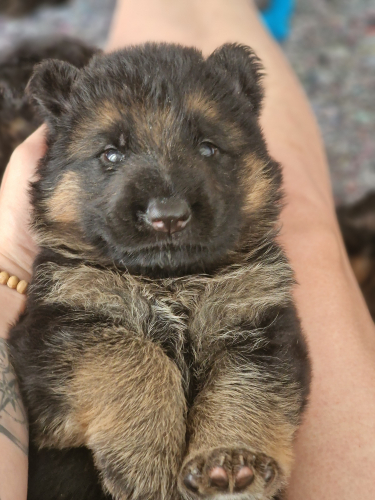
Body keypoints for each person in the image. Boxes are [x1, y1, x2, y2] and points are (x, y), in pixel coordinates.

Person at [1, 1, 375, 499]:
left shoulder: (251, 270)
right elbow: (45, 385)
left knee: (297, 249)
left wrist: (238, 441)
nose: (166, 209)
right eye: (111, 155)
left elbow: (266, 362)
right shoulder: (70, 272)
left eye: (207, 148)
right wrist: (132, 391)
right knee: (310, 236)